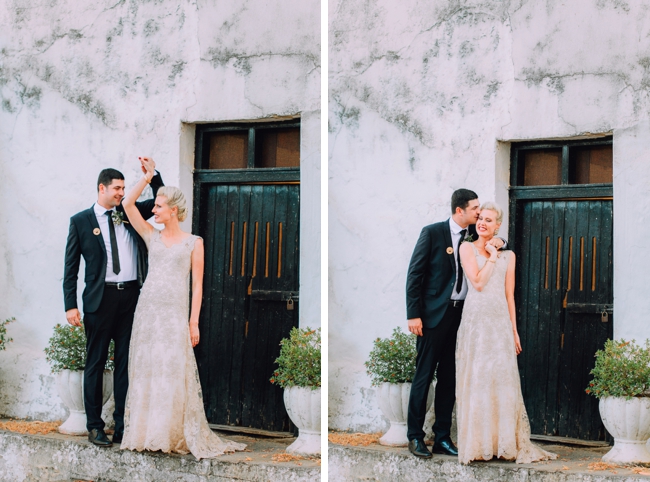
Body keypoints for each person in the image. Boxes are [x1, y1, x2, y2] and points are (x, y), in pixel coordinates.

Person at [119, 157, 246, 458]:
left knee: (172, 371)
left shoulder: (194, 242)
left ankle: (171, 432)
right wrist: (148, 177)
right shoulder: (152, 236)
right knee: (149, 370)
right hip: (148, 312)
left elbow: (198, 286)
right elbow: (127, 204)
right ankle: (147, 433)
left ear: (173, 211)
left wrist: (193, 322)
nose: (153, 210)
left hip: (174, 314)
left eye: (159, 206)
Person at [63, 162, 164, 447]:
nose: (122, 192)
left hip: (130, 296)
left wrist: (153, 176)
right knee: (94, 362)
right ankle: (95, 426)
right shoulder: (80, 221)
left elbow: (158, 200)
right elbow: (70, 268)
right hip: (100, 299)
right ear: (102, 188)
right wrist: (71, 305)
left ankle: (121, 425)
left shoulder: (128, 211)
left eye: (123, 188)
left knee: (124, 364)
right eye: (117, 188)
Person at [405, 189, 505, 459]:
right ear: (459, 210)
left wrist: (500, 239)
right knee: (424, 376)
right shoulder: (433, 232)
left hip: (461, 317)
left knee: (449, 378)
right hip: (432, 317)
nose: (478, 213)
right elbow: (415, 274)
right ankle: (415, 436)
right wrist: (413, 314)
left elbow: (496, 241)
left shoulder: (473, 236)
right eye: (474, 209)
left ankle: (442, 437)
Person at [455, 202, 556, 464]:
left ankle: (503, 444)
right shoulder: (466, 248)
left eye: (489, 220)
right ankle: (479, 444)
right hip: (476, 322)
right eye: (481, 219)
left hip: (499, 321)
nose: (483, 223)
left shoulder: (509, 256)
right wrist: (490, 256)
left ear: (498, 225)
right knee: (478, 377)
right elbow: (477, 282)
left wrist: (514, 331)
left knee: (501, 377)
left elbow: (509, 295)